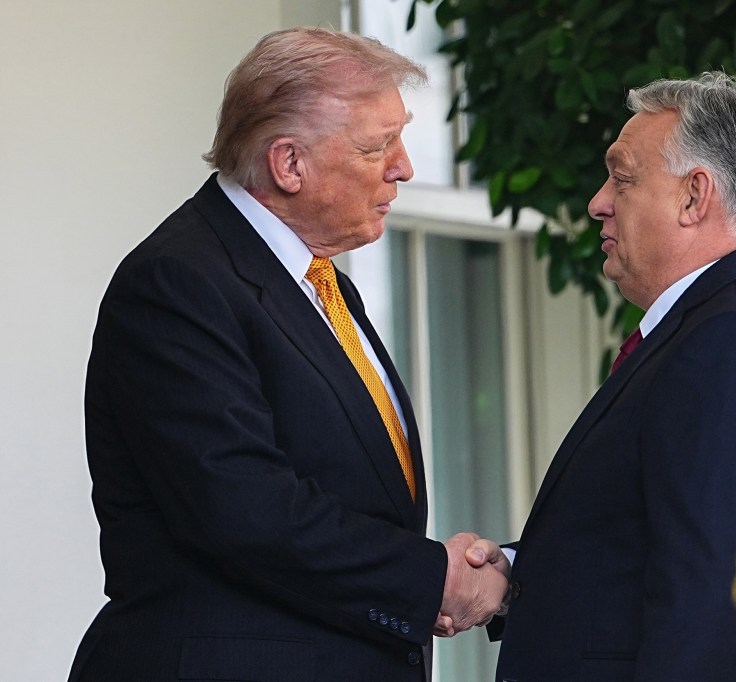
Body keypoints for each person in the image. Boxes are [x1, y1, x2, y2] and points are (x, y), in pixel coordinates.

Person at [68, 27, 506, 682]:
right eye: (376, 145)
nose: (404, 166)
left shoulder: (325, 287)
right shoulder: (178, 281)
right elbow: (244, 508)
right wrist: (430, 579)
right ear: (288, 164)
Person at [473, 72, 736, 680]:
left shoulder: (733, 343)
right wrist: (514, 569)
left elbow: (712, 598)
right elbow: (648, 541)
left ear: (695, 197)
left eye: (623, 176)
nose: (598, 201)